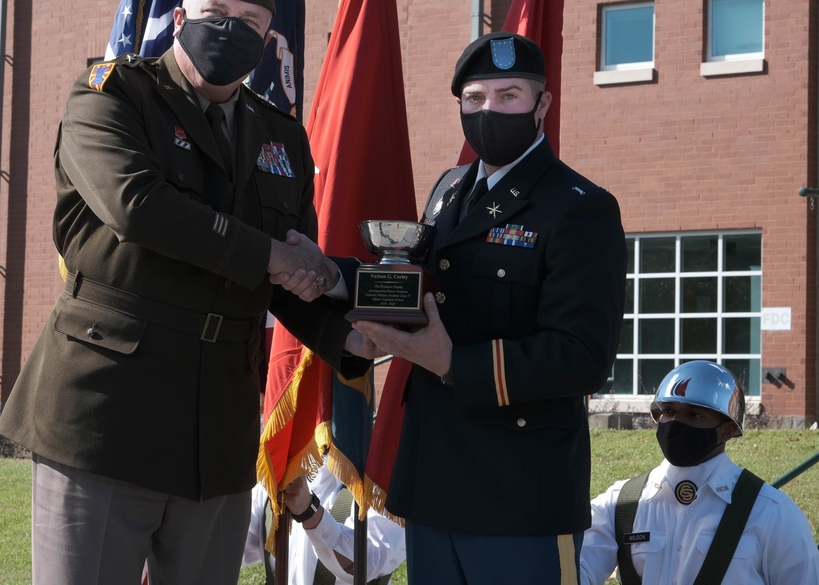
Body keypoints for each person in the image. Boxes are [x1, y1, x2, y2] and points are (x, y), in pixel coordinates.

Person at [0, 0, 374, 585]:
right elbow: (139, 208)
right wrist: (275, 255)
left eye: (251, 22)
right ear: (179, 18)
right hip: (108, 412)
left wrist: (352, 339)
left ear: (267, 39)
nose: (232, 30)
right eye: (217, 13)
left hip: (216, 427)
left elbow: (287, 278)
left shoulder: (280, 135)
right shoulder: (112, 97)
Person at [339, 31, 628, 584]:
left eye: (508, 96)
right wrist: (334, 276)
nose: (488, 110)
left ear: (542, 104)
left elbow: (583, 355)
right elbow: (421, 289)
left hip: (519, 494)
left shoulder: (579, 208)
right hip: (432, 483)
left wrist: (454, 364)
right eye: (474, 99)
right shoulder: (449, 190)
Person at [580, 360, 819, 585]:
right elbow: (574, 571)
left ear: (726, 430)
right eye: (668, 411)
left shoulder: (771, 512)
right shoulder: (620, 504)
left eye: (694, 415)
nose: (674, 423)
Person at [240, 458, 406, 585]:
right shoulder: (274, 476)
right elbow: (227, 545)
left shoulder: (382, 477)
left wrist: (309, 512)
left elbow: (369, 562)